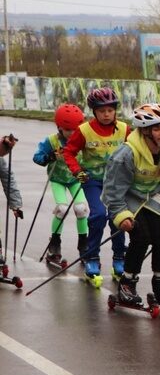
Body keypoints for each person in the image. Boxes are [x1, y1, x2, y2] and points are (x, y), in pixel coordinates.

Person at [102, 103, 160, 310]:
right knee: (140, 237)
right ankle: (127, 284)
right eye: (157, 129)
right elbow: (113, 190)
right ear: (145, 131)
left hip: (153, 196)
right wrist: (120, 215)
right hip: (128, 196)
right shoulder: (126, 154)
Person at [61, 86, 130, 281]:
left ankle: (119, 257)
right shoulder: (84, 130)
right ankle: (91, 257)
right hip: (93, 181)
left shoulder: (124, 129)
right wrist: (78, 171)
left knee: (118, 218)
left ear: (115, 110)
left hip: (117, 183)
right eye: (102, 111)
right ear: (94, 112)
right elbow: (68, 152)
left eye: (110, 110)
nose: (106, 114)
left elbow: (136, 150)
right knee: (98, 215)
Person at [32, 104, 89, 266]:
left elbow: (91, 158)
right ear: (59, 127)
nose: (72, 133)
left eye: (75, 129)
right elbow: (37, 157)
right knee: (62, 209)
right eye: (67, 129)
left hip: (75, 179)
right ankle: (54, 244)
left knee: (81, 209)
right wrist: (50, 157)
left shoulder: (83, 139)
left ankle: (84, 245)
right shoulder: (51, 141)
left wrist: (88, 169)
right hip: (57, 178)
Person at [0, 132, 24, 263]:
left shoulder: (1, 162)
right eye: (5, 150)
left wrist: (15, 205)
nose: (5, 154)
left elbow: (9, 181)